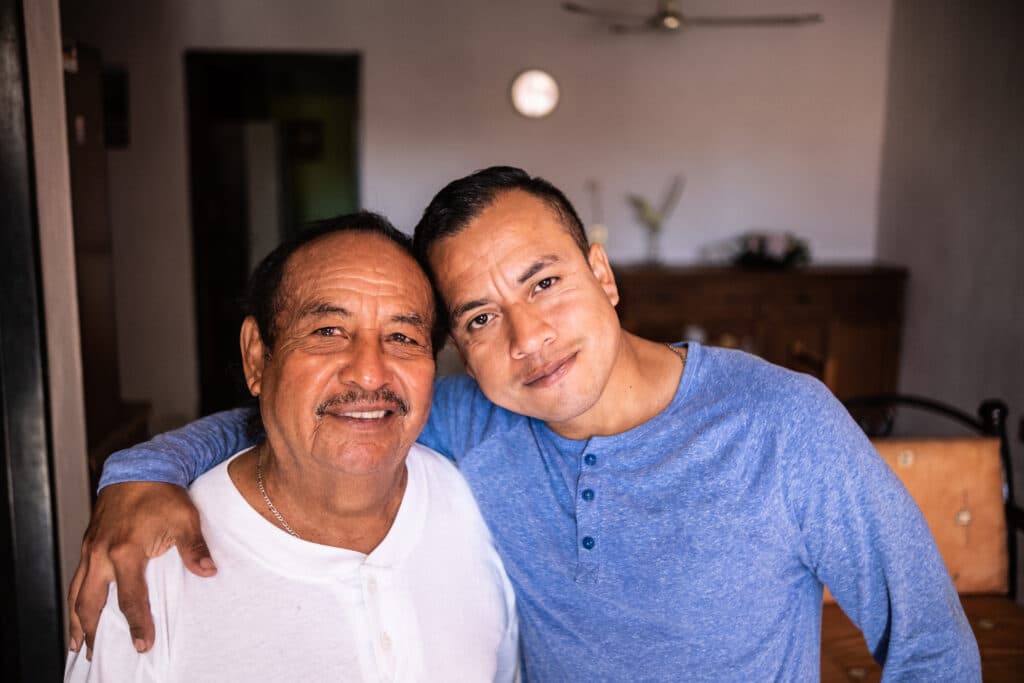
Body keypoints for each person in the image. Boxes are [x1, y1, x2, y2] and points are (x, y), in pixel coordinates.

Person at [70, 167, 980, 680]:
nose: (527, 336)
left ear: (602, 272)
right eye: (477, 317)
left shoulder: (783, 422)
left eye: (542, 281)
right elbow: (303, 410)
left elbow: (933, 646)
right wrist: (138, 473)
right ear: (458, 349)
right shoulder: (472, 421)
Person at [65, 213, 519, 681]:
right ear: (257, 358)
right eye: (328, 332)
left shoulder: (476, 507)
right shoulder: (148, 563)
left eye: (402, 337)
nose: (369, 372)